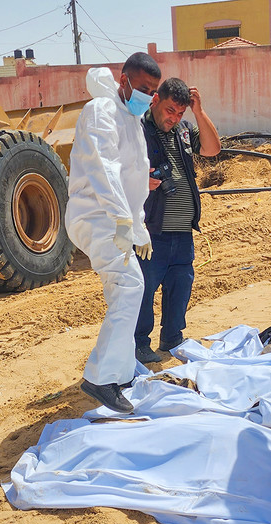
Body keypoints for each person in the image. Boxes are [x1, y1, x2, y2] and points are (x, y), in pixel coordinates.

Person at [66, 52, 161, 413]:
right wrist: (123, 221)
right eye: (143, 88)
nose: (148, 97)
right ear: (124, 82)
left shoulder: (132, 119)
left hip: (114, 218)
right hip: (95, 215)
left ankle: (119, 373)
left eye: (153, 92)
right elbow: (102, 169)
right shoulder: (101, 111)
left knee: (122, 290)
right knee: (131, 285)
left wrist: (139, 227)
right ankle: (101, 379)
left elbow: (132, 181)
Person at [133, 77, 221, 364]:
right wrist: (139, 181)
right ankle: (138, 344)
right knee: (144, 290)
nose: (174, 118)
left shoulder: (184, 129)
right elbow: (115, 168)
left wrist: (198, 112)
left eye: (180, 113)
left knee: (180, 284)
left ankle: (172, 337)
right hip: (151, 231)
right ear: (156, 100)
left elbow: (211, 149)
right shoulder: (138, 129)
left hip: (183, 231)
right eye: (171, 110)